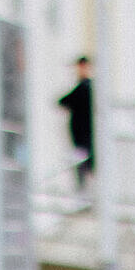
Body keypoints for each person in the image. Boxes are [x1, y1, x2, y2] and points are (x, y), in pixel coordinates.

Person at [57, 55, 94, 189]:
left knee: (84, 163)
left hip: (85, 134)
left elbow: (65, 101)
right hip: (81, 134)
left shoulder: (86, 87)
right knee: (82, 163)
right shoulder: (84, 87)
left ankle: (85, 188)